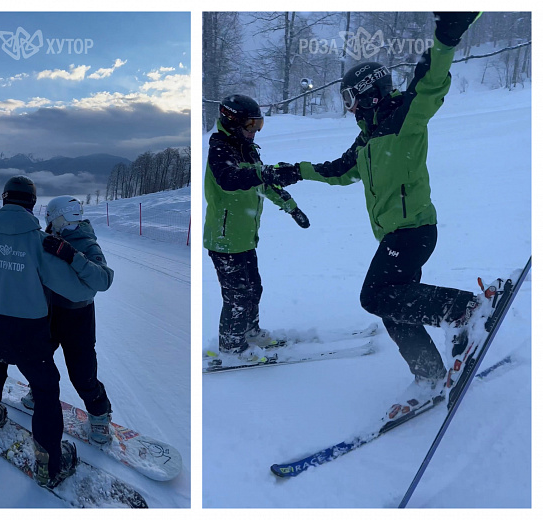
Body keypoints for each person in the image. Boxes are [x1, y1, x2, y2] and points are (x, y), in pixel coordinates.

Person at [288, 13, 492, 418]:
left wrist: (445, 37)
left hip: (414, 230)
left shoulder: (405, 117)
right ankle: (430, 374)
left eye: (349, 100)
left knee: (374, 296)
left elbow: (430, 82)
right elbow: (338, 171)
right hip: (394, 237)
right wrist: (294, 171)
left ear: (369, 94)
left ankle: (467, 310)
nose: (348, 109)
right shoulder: (367, 138)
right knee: (390, 305)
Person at [0, 176, 108, 488]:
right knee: (46, 392)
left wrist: (2, 261)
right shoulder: (38, 244)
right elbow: (75, 289)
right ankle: (48, 464)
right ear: (32, 205)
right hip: (28, 332)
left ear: (4, 201)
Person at [204, 94, 309, 355]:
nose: (254, 132)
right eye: (250, 125)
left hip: (245, 238)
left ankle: (249, 331)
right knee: (237, 297)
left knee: (253, 288)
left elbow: (262, 182)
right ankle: (231, 346)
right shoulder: (219, 148)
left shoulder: (245, 148)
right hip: (225, 239)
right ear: (232, 121)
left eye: (258, 125)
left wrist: (291, 207)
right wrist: (265, 172)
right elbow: (231, 179)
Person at [21, 195, 115, 446]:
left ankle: (99, 415)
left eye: (50, 218)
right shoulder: (49, 239)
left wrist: (71, 255)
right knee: (40, 358)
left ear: (59, 217)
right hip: (49, 312)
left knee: (82, 372)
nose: (48, 222)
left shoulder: (86, 244)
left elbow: (103, 280)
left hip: (78, 318)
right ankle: (38, 392)